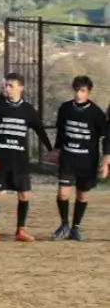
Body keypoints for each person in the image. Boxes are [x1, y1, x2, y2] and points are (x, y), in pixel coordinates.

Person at [0, 72, 52, 243]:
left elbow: (39, 130)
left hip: (19, 160)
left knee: (24, 195)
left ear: (21, 87)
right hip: (0, 158)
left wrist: (51, 149)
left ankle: (20, 230)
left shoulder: (28, 109)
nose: (7, 88)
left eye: (10, 86)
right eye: (5, 85)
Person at [50, 76, 108, 241]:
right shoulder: (65, 108)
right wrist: (56, 149)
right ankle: (64, 224)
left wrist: (105, 161)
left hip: (87, 161)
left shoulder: (96, 113)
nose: (78, 94)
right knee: (62, 193)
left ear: (88, 92)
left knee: (82, 195)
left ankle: (75, 227)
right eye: (76, 90)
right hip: (68, 158)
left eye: (82, 91)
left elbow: (103, 138)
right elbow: (61, 131)